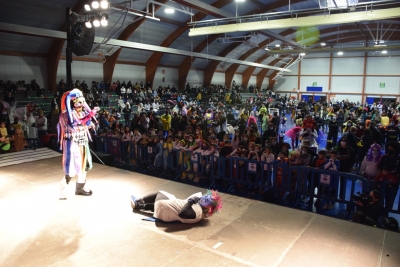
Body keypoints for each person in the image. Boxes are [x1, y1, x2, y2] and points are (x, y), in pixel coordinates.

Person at [58, 89, 99, 199]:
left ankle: (80, 188)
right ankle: (63, 187)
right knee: (71, 168)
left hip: (82, 142)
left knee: (83, 166)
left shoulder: (83, 112)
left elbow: (87, 123)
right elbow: (77, 122)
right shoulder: (66, 115)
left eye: (82, 101)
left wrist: (91, 121)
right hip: (72, 144)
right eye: (78, 101)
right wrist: (91, 114)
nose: (81, 104)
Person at [130, 189, 222, 223]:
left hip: (163, 210)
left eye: (206, 200)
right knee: (169, 200)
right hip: (164, 211)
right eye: (206, 196)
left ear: (208, 207)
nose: (204, 198)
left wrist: (190, 202)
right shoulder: (200, 212)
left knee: (160, 192)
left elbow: (182, 213)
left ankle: (139, 201)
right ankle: (141, 206)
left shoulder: (197, 213)